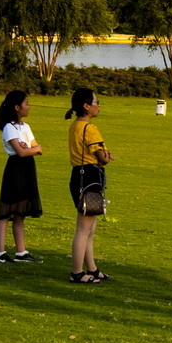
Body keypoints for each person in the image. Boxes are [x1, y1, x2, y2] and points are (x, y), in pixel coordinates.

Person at [66, 87, 113, 283]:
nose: (98, 106)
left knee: (89, 228)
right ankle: (77, 272)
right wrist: (107, 156)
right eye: (96, 102)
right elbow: (102, 157)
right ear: (86, 106)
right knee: (84, 229)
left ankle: (91, 268)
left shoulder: (75, 126)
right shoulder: (90, 128)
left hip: (78, 175)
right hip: (90, 177)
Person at [0, 89, 45, 263]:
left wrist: (31, 149)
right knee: (7, 211)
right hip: (15, 168)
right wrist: (31, 150)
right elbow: (21, 152)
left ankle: (20, 251)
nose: (28, 107)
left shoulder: (25, 127)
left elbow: (36, 147)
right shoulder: (9, 127)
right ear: (17, 107)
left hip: (27, 168)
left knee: (20, 212)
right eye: (26, 103)